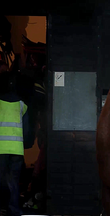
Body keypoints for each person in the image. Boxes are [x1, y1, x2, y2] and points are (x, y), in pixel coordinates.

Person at [0, 64, 29, 216]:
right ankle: (13, 209)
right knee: (14, 181)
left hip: (0, 149)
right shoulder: (22, 105)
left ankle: (2, 207)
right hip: (16, 150)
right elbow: (27, 130)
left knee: (1, 179)